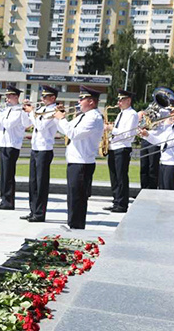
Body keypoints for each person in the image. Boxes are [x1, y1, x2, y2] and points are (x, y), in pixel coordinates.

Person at [55, 86, 105, 230]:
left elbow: (74, 134)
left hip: (82, 163)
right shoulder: (83, 116)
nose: (79, 101)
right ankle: (73, 226)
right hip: (75, 162)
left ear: (91, 101)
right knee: (72, 198)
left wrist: (62, 118)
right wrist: (57, 117)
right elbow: (65, 129)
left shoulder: (94, 117)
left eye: (82, 99)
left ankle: (76, 229)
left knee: (78, 199)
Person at [22, 85, 60, 223]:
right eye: (42, 96)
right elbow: (26, 123)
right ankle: (33, 210)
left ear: (53, 98)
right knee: (33, 182)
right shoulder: (41, 109)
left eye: (45, 96)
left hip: (45, 149)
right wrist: (25, 111)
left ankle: (39, 213)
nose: (42, 99)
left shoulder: (54, 111)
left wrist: (32, 112)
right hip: (35, 147)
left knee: (41, 183)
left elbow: (41, 126)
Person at [139, 98, 174, 191]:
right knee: (162, 193)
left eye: (173, 111)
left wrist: (166, 124)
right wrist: (147, 135)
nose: (170, 114)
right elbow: (159, 141)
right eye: (170, 111)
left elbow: (171, 141)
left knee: (169, 193)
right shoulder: (172, 126)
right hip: (164, 162)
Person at [0, 85, 31, 210]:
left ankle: (9, 201)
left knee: (8, 174)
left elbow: (8, 124)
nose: (7, 99)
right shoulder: (8, 110)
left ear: (16, 96)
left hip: (12, 145)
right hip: (4, 144)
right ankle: (4, 199)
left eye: (9, 96)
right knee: (4, 173)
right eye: (7, 96)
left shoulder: (18, 111)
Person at [104, 89, 139, 213]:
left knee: (121, 176)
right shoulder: (121, 114)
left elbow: (127, 134)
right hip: (114, 147)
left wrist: (111, 128)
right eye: (118, 100)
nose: (119, 102)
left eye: (121, 99)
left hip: (123, 147)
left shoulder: (132, 114)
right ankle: (116, 201)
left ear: (128, 100)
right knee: (114, 177)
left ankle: (122, 204)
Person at [139, 100, 170, 190]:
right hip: (145, 138)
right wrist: (142, 115)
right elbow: (143, 120)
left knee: (153, 167)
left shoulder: (166, 111)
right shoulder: (150, 108)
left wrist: (159, 120)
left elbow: (166, 123)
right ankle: (143, 189)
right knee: (144, 166)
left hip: (155, 139)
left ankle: (152, 189)